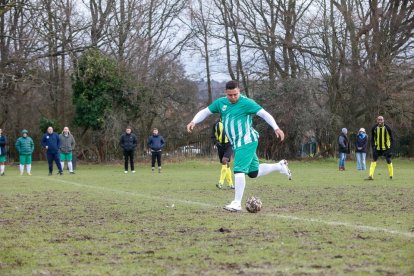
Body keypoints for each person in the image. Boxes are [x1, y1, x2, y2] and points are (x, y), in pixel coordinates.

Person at [186, 80, 291, 212]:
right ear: (226, 93)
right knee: (254, 172)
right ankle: (279, 166)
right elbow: (206, 112)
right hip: (237, 143)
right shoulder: (221, 103)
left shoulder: (247, 102)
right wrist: (193, 121)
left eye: (236, 94)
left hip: (247, 141)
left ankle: (236, 203)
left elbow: (264, 114)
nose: (233, 97)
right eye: (230, 95)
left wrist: (276, 128)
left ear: (239, 91)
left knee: (239, 170)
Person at [367, 116, 394, 180]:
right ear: (377, 120)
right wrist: (373, 146)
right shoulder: (374, 128)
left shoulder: (388, 128)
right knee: (374, 160)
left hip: (386, 148)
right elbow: (372, 138)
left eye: (381, 120)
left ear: (383, 120)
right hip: (377, 148)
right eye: (379, 120)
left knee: (388, 160)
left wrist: (390, 149)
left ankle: (391, 175)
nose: (380, 121)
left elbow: (392, 139)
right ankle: (370, 175)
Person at [211, 120, 234, 189]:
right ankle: (231, 184)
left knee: (224, 160)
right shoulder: (215, 124)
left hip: (229, 145)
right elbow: (213, 136)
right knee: (225, 164)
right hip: (220, 146)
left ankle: (220, 183)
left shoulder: (230, 122)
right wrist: (216, 143)